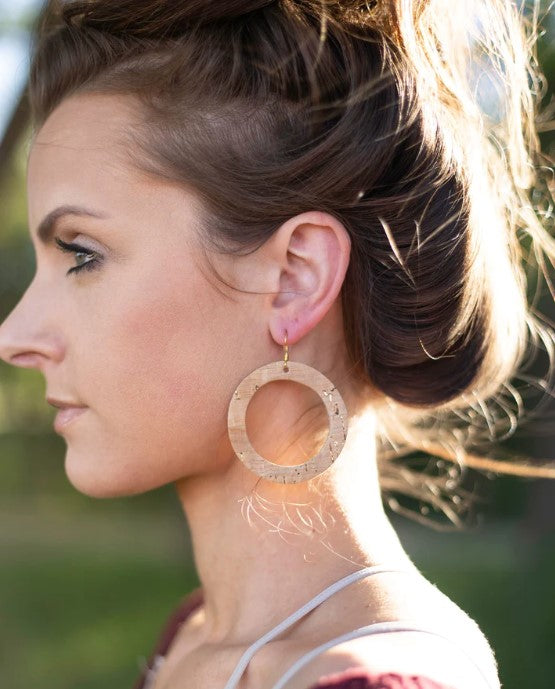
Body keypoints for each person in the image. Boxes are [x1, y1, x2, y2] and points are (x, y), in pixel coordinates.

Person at [0, 1, 553, 688]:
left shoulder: (370, 678)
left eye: (81, 254)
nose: (14, 337)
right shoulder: (194, 638)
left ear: (295, 279)